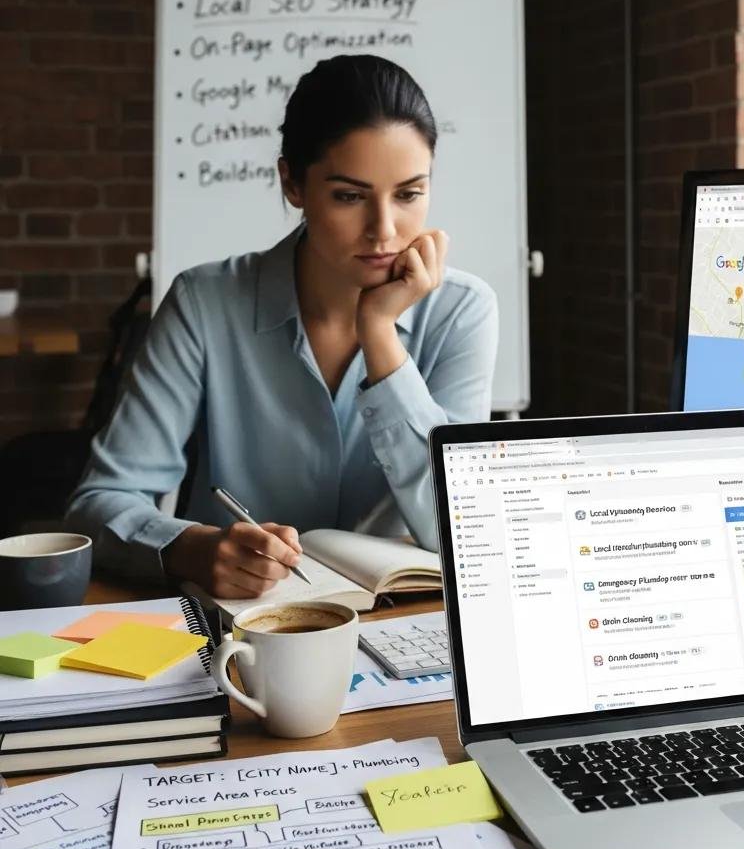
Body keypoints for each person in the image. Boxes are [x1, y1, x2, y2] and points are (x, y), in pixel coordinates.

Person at [66, 55, 498, 598]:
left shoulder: (463, 311)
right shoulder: (205, 303)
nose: (384, 231)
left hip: (405, 625)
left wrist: (380, 334)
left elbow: (462, 530)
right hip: (242, 628)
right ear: (292, 183)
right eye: (349, 196)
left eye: (409, 194)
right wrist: (191, 548)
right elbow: (99, 503)